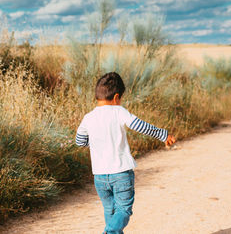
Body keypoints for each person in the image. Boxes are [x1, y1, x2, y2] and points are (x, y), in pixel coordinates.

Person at [75, 72, 176, 234]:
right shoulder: (119, 111)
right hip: (121, 173)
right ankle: (108, 232)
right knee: (123, 210)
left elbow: (80, 141)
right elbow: (142, 126)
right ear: (116, 97)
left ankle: (111, 230)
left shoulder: (88, 117)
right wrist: (163, 135)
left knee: (110, 211)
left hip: (99, 176)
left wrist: (95, 143)